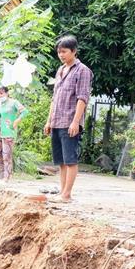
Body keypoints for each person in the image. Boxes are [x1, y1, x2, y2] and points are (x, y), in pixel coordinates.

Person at [43, 35, 92, 202]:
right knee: (61, 161)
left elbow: (82, 98)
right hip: (57, 121)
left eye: (64, 51)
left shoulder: (82, 71)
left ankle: (67, 194)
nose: (61, 55)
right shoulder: (60, 70)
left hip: (70, 121)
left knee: (70, 159)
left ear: (74, 51)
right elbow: (54, 97)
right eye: (59, 52)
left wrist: (75, 122)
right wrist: (49, 121)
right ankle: (62, 192)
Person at [0, 86, 28, 181]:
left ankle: (7, 176)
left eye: (2, 93)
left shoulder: (13, 102)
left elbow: (25, 112)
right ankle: (2, 175)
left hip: (8, 132)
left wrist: (17, 120)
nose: (0, 95)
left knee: (6, 156)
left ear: (7, 93)